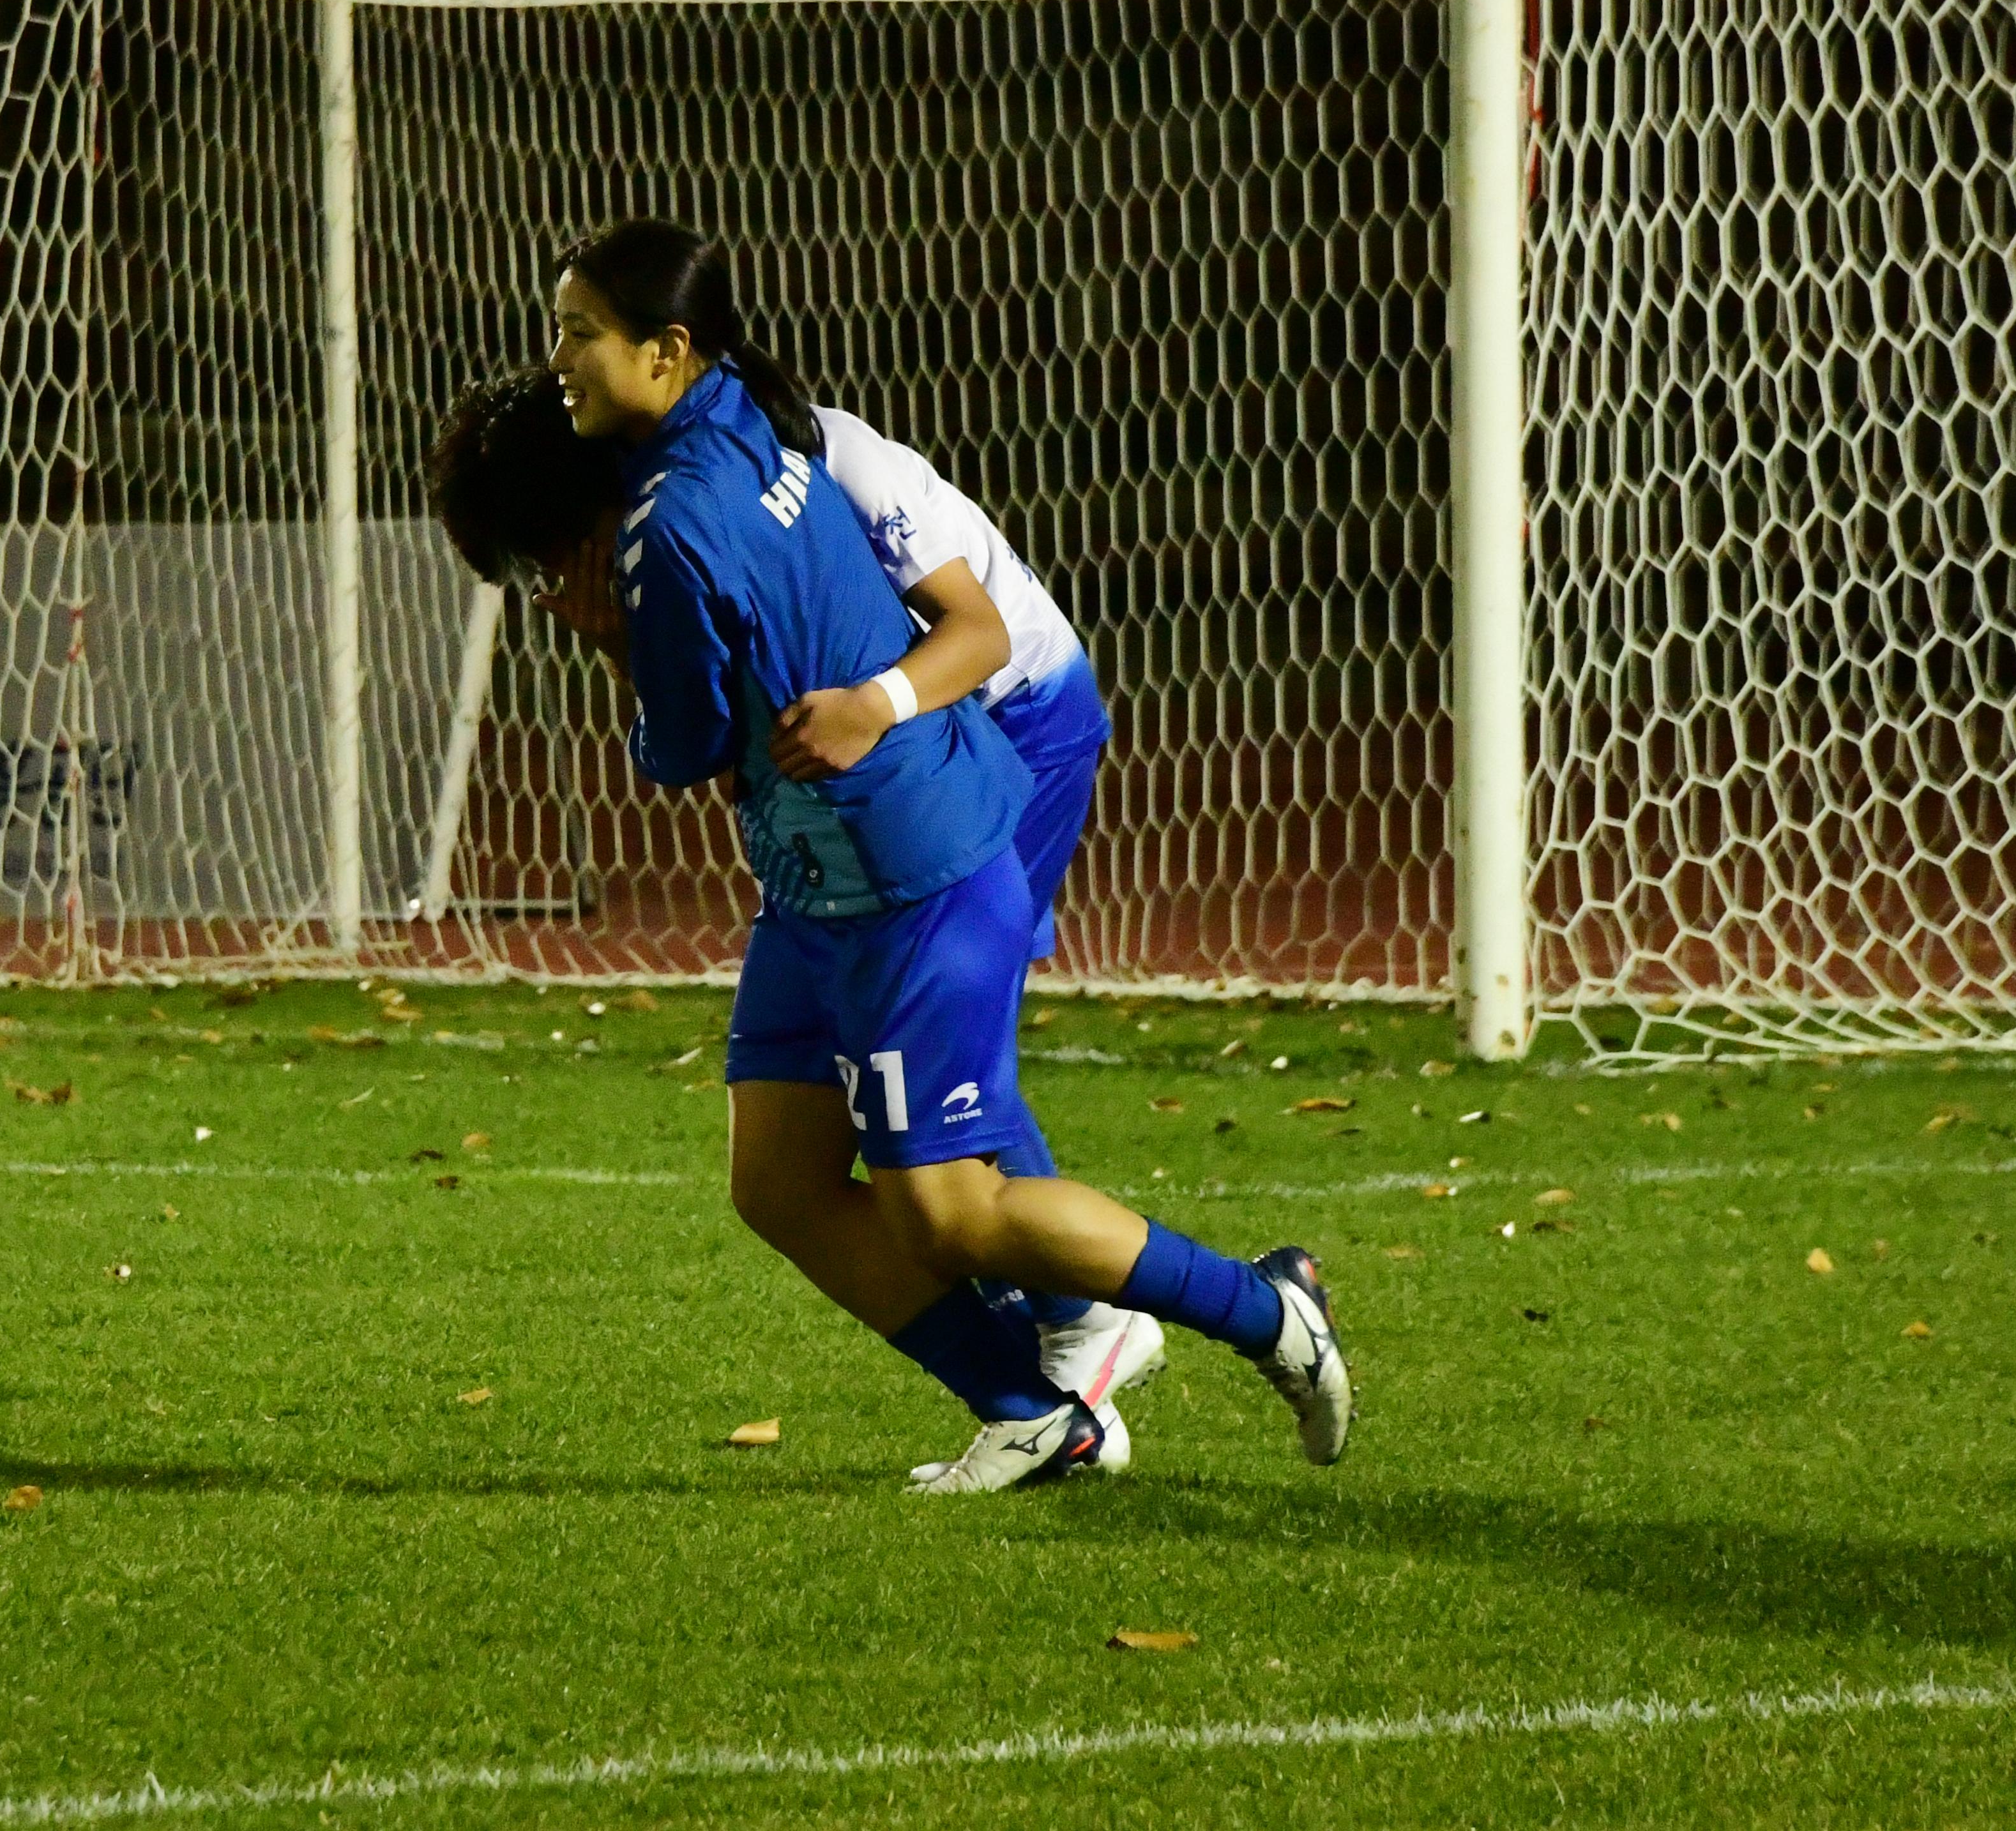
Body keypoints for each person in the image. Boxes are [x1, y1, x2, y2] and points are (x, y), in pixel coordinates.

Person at [524, 216, 1354, 1489]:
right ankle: (1034, 1403)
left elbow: (706, 735)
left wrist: (673, 654)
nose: (560, 356)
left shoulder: (736, 495)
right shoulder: (748, 416)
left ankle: (1244, 1309)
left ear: (670, 349)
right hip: (833, 861)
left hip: (966, 771)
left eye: (580, 331)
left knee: (947, 1194)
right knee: (784, 1178)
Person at [429, 368, 1164, 1452]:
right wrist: (625, 632)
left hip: (1012, 721)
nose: (573, 358)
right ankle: (1050, 1363)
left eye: (587, 331)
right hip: (871, 796)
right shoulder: (663, 514)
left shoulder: (820, 467)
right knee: (814, 1141)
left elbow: (976, 635)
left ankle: (1098, 1313)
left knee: (931, 1052)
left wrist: (875, 703)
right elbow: (721, 732)